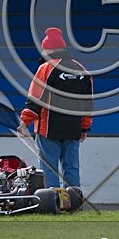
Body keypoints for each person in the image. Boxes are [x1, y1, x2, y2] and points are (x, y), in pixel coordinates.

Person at [20, 27, 93, 189]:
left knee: (49, 167)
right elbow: (88, 103)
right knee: (71, 166)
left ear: (49, 49)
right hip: (73, 129)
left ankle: (51, 201)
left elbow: (36, 99)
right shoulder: (82, 70)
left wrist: (24, 122)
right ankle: (74, 202)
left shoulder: (46, 68)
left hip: (48, 129)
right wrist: (84, 128)